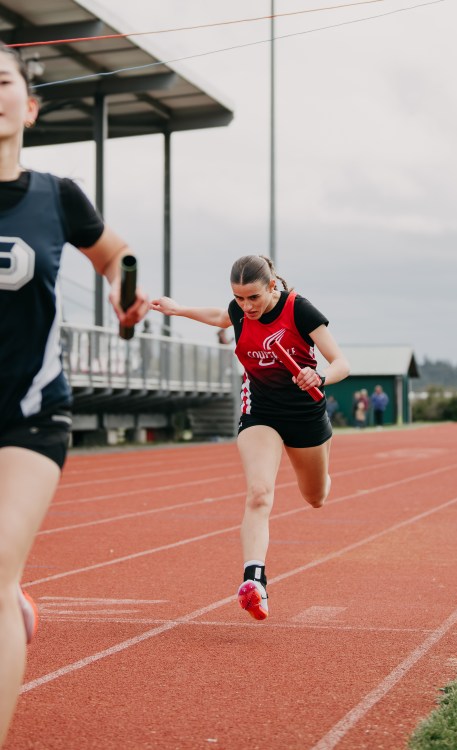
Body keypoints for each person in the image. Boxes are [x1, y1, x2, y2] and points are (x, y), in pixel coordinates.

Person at [0, 44, 149, 747]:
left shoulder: (56, 196)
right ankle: (15, 599)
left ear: (29, 106)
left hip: (29, 414)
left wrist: (124, 289)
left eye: (1, 80)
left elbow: (117, 254)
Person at [151, 254, 350, 622]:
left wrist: (319, 376)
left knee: (316, 497)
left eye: (253, 298)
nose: (246, 307)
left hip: (305, 415)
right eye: (239, 298)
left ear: (272, 286)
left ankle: (323, 477)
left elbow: (342, 362)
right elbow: (220, 316)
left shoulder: (299, 309)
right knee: (259, 493)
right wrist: (178, 310)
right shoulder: (240, 311)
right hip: (261, 412)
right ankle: (255, 580)